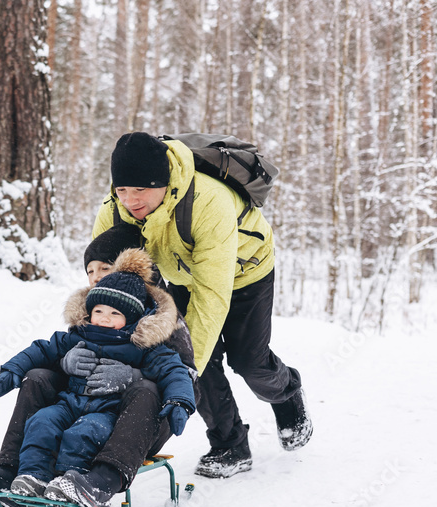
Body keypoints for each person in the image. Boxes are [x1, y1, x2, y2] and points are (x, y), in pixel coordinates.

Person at [91, 132, 312, 478]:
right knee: (186, 354)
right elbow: (106, 284)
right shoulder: (114, 212)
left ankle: (286, 393)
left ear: (162, 182)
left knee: (246, 361)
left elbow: (212, 295)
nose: (130, 200)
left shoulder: (209, 201)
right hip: (181, 277)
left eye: (140, 190)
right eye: (122, 190)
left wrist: (186, 365)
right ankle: (230, 444)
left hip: (244, 273)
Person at [0, 227, 197, 507]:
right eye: (90, 270)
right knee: (42, 410)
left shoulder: (152, 328)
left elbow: (176, 370)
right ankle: (21, 476)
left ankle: (87, 482)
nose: (96, 276)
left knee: (87, 430)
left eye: (105, 268)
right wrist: (29, 367)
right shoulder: (83, 324)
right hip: (72, 403)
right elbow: (45, 348)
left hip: (129, 418)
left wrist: (168, 396)